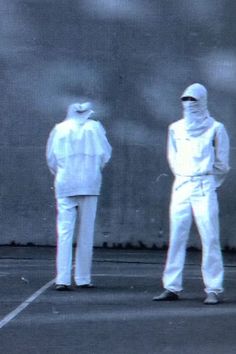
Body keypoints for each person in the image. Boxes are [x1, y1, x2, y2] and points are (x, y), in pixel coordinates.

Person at [153, 83, 230, 304]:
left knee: (210, 237)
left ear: (203, 101)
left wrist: (208, 181)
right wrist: (184, 176)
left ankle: (213, 288)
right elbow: (173, 157)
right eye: (185, 100)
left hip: (204, 185)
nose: (189, 104)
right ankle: (171, 286)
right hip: (182, 185)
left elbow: (222, 164)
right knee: (177, 236)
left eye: (193, 100)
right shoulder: (175, 128)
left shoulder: (216, 128)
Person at [46, 102, 112, 290]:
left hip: (66, 182)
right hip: (89, 183)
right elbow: (106, 154)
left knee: (65, 232)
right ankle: (83, 277)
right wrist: (93, 169)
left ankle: (62, 279)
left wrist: (61, 172)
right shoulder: (95, 128)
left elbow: (51, 158)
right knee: (86, 232)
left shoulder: (60, 129)